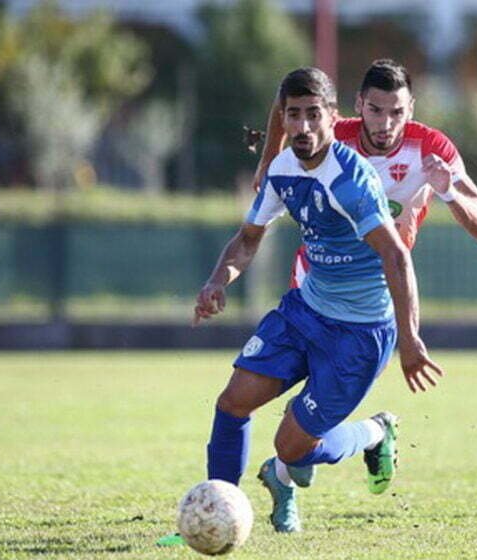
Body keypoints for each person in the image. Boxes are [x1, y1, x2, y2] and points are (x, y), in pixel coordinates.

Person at [167, 67, 442, 540]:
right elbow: (248, 240)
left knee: (291, 448)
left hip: (360, 332)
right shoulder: (282, 169)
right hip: (306, 311)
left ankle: (375, 432)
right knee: (233, 402)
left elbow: (396, 255)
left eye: (314, 115)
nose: (304, 126)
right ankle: (220, 512)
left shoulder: (349, 180)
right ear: (285, 119)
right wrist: (217, 281)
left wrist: (410, 338)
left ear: (334, 118)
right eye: (294, 115)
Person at [252, 59, 477, 287]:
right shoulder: (334, 137)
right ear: (359, 104)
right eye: (375, 110)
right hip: (318, 274)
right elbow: (287, 97)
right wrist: (269, 158)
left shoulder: (430, 147)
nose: (385, 124)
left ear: (410, 110)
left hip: (380, 279)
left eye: (396, 112)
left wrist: (449, 193)